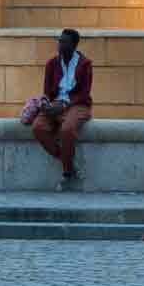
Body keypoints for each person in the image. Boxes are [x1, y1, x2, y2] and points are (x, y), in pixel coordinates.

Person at [31, 29, 93, 190]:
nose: (59, 44)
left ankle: (66, 173)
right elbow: (47, 90)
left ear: (73, 44)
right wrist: (45, 102)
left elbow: (84, 93)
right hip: (54, 104)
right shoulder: (52, 64)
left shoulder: (85, 64)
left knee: (67, 130)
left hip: (77, 105)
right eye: (59, 41)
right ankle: (69, 163)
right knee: (38, 127)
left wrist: (65, 105)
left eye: (64, 42)